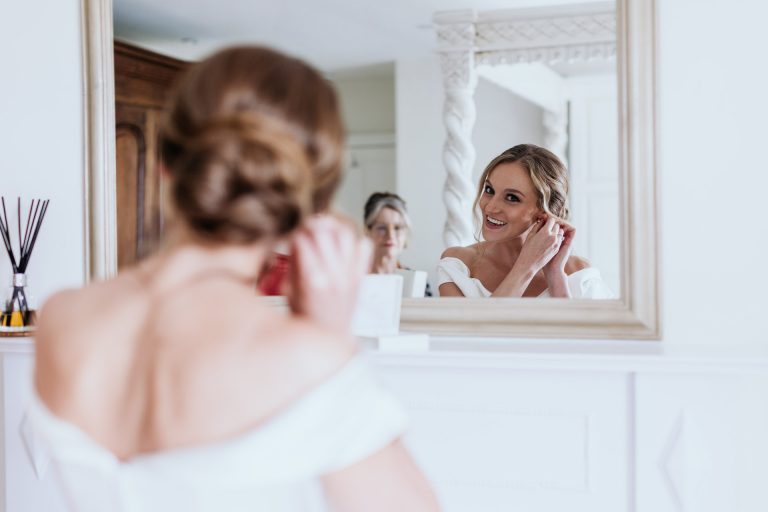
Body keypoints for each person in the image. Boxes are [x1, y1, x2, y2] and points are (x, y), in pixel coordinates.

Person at [29, 46, 439, 511]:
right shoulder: (303, 357)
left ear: (168, 165)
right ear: (306, 210)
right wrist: (333, 339)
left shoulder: (62, 317)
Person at [437, 144, 613, 298]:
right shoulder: (459, 265)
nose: (490, 207)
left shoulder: (578, 273)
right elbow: (473, 333)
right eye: (489, 190)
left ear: (545, 211)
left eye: (512, 198)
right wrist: (526, 266)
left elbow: (580, 336)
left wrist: (555, 277)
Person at [364, 192, 432, 296]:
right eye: (382, 228)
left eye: (397, 228)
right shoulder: (352, 278)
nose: (390, 236)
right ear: (367, 232)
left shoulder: (418, 282)